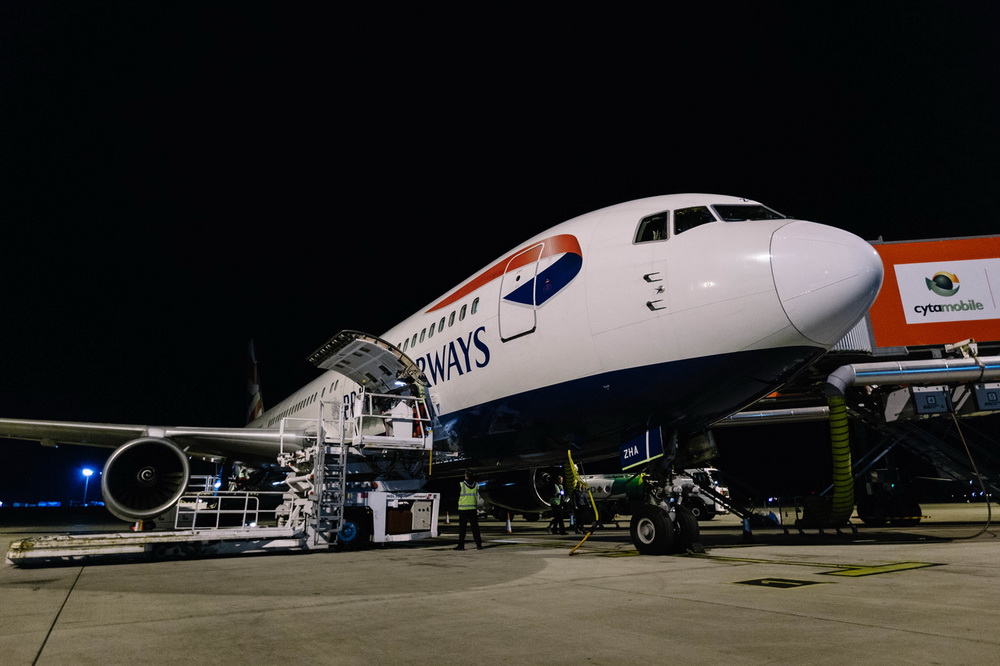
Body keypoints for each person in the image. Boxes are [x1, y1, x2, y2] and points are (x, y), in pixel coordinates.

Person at [455, 470, 483, 550]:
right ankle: (479, 544)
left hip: (463, 509)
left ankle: (461, 545)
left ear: (465, 475)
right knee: (475, 528)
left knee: (462, 529)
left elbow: (457, 495)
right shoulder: (476, 484)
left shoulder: (461, 484)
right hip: (473, 508)